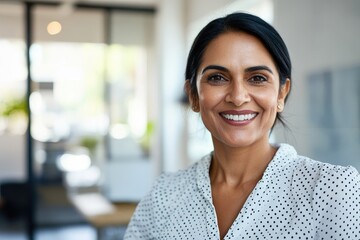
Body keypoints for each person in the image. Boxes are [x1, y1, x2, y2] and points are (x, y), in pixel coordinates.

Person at [124, 12, 360, 239]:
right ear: (194, 96)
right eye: (217, 77)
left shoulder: (333, 189)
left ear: (281, 94)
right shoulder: (163, 195)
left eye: (257, 78)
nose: (237, 97)